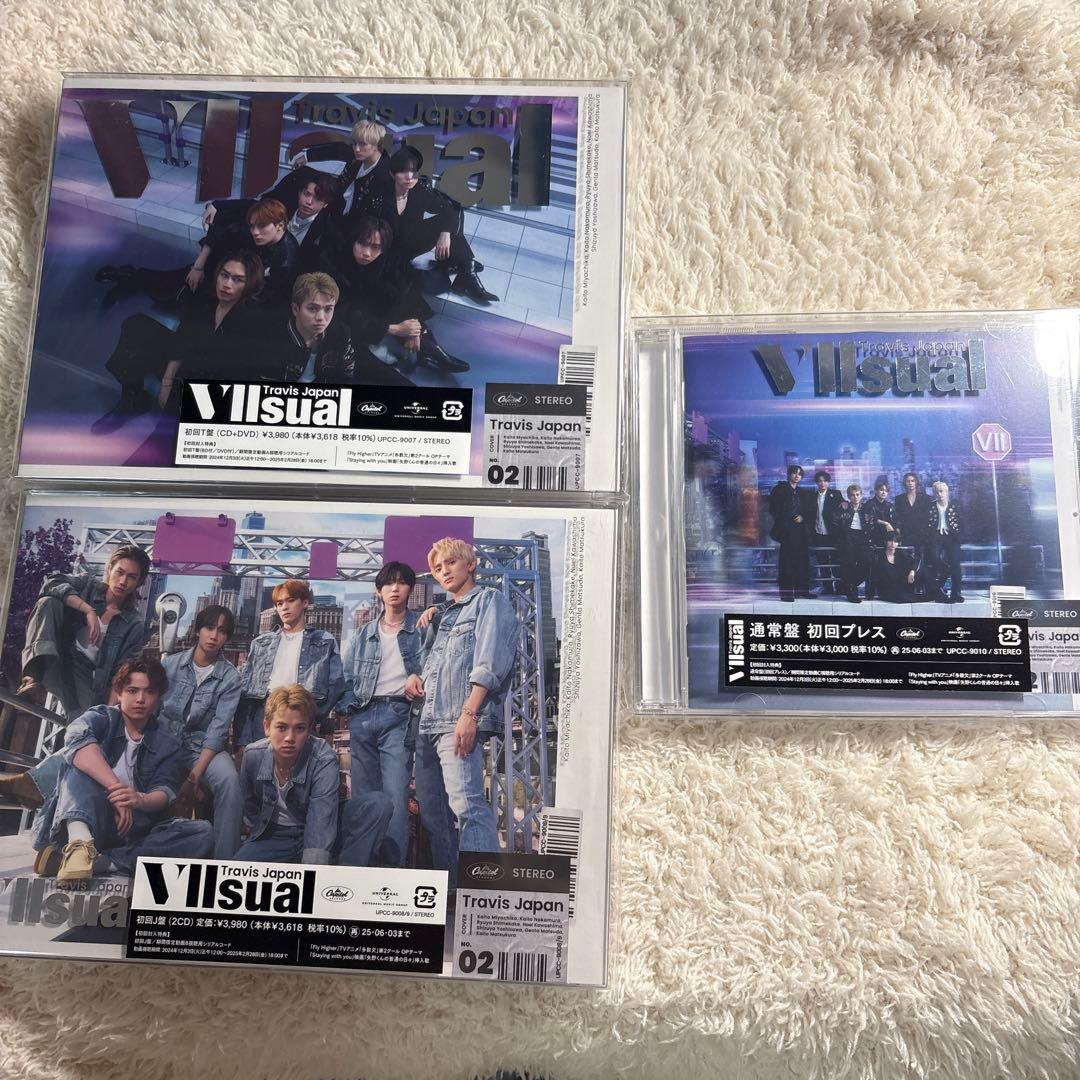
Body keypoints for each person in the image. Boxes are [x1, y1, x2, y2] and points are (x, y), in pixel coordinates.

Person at [29, 659, 214, 885]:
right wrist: (116, 790)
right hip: (88, 816)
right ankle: (79, 844)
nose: (140, 699)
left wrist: (137, 799)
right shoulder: (101, 717)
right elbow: (76, 742)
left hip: (131, 828)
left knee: (202, 833)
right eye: (132, 690)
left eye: (149, 692)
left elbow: (164, 792)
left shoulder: (167, 742)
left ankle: (103, 862)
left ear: (158, 697)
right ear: (119, 693)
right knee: (77, 764)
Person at [410, 539, 518, 888]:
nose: (444, 571)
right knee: (434, 816)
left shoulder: (489, 601)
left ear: (470, 564)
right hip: (426, 723)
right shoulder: (441, 615)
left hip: (456, 720)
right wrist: (416, 677)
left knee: (468, 807)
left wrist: (469, 714)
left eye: (451, 563)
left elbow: (489, 661)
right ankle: (453, 895)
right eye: (437, 568)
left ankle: (483, 895)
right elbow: (430, 665)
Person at [90, 252, 264, 434]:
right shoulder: (207, 298)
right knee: (136, 325)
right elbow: (183, 337)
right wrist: (167, 382)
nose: (227, 284)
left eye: (238, 280)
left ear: (249, 285)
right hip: (187, 362)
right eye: (225, 275)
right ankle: (133, 399)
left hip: (207, 388)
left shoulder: (249, 323)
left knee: (165, 438)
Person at [236, 683, 391, 865]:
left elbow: (321, 818)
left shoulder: (323, 758)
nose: (289, 738)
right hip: (273, 836)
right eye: (281, 728)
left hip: (321, 826)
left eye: (299, 728)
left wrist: (314, 872)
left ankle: (344, 875)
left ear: (309, 730)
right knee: (237, 869)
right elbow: (251, 807)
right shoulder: (253, 755)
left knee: (378, 805)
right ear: (267, 727)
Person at [338, 561, 428, 867]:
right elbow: (346, 677)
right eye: (388, 583)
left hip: (399, 715)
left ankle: (392, 871)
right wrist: (350, 708)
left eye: (402, 583)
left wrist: (419, 680)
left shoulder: (422, 627)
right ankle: (363, 867)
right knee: (365, 799)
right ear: (379, 591)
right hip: (363, 715)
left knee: (395, 797)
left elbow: (434, 664)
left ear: (410, 589)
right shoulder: (364, 633)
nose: (395, 588)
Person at [12, 544, 151, 719]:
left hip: (83, 675)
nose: (123, 581)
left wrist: (109, 715)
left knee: (85, 724)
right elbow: (51, 583)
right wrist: (88, 610)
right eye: (119, 572)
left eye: (132, 577)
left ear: (139, 582)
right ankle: (33, 678)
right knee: (49, 601)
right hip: (53, 653)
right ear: (109, 569)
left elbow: (122, 672)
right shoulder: (87, 584)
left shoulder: (133, 624)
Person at [325, 215, 468, 374]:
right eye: (362, 244)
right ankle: (426, 350)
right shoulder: (333, 259)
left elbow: (400, 289)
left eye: (376, 247)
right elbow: (342, 311)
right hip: (337, 318)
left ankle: (427, 346)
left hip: (363, 308)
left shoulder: (382, 259)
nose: (367, 253)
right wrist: (393, 329)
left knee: (395, 292)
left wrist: (414, 327)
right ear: (353, 240)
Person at [159, 605, 243, 859]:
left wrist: (195, 775)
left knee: (229, 781)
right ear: (198, 630)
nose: (214, 636)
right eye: (209, 627)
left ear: (227, 637)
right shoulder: (170, 665)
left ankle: (224, 862)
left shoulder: (230, 678)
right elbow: (152, 712)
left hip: (201, 746)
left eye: (222, 631)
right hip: (164, 741)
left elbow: (218, 731)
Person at [233, 580, 346, 751]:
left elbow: (336, 685)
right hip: (265, 713)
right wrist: (242, 739)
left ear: (305, 603)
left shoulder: (324, 640)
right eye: (279, 603)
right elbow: (246, 695)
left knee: (300, 766)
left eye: (291, 600)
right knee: (262, 765)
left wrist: (312, 715)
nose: (284, 607)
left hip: (302, 712)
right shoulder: (261, 643)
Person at [383, 145, 498, 304]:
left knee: (450, 217)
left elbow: (452, 208)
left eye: (413, 171)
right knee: (438, 285)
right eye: (403, 172)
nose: (409, 177)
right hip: (388, 255)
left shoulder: (418, 190)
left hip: (410, 242)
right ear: (392, 174)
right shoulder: (380, 196)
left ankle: (466, 272)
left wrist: (445, 233)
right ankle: (458, 265)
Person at [255, 271, 414, 386]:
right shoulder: (273, 338)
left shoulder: (340, 333)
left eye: (328, 309)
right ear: (296, 309)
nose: (321, 317)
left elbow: (345, 376)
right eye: (312, 308)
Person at [202, 168, 344, 274]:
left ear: (325, 204)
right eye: (307, 194)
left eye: (318, 199)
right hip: (260, 258)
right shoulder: (285, 206)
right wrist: (217, 205)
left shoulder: (326, 231)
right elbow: (253, 205)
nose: (309, 202)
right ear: (300, 192)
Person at [187, 198, 300, 308]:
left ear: (280, 226)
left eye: (261, 226)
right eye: (252, 226)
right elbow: (221, 226)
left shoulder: (285, 259)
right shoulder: (258, 227)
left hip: (251, 301)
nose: (255, 232)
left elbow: (263, 298)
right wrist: (198, 266)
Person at [292, 119, 394, 221]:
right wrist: (307, 156)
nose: (357, 149)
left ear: (377, 145)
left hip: (357, 223)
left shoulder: (386, 174)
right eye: (354, 143)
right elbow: (336, 150)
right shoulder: (355, 154)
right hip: (335, 212)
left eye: (363, 144)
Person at [768, 465, 812, 602]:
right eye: (794, 473)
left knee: (802, 560)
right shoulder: (779, 489)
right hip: (787, 529)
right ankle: (786, 593)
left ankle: (802, 591)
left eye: (799, 474)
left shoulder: (802, 492)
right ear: (789, 474)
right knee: (787, 562)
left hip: (801, 530)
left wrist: (803, 517)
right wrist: (787, 519)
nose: (797, 476)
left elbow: (808, 509)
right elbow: (773, 509)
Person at [926, 480, 964, 602]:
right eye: (936, 492)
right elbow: (925, 523)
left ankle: (956, 593)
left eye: (941, 491)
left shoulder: (954, 505)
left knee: (955, 564)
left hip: (951, 536)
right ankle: (938, 588)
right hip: (936, 536)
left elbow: (961, 522)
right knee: (933, 558)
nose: (939, 494)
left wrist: (959, 536)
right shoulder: (931, 506)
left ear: (947, 492)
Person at [834, 484, 872, 603]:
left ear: (861, 495)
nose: (855, 497)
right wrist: (840, 538)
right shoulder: (844, 507)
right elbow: (835, 523)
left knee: (867, 563)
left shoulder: (866, 508)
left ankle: (847, 585)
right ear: (848, 496)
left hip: (862, 537)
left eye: (857, 495)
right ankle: (852, 594)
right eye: (852, 495)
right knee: (849, 564)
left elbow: (871, 523)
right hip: (847, 537)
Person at [808, 469, 843, 594]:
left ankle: (839, 587)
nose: (822, 483)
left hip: (832, 534)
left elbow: (843, 506)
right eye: (820, 481)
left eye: (825, 481)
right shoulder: (812, 496)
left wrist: (844, 504)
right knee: (822, 561)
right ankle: (828, 588)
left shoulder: (836, 494)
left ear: (828, 482)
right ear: (817, 483)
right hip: (818, 534)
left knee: (835, 560)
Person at [893, 472, 933, 561]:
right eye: (908, 481)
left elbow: (928, 517)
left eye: (912, 481)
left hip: (922, 533)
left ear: (916, 482)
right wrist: (898, 529)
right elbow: (897, 516)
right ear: (905, 483)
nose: (910, 483)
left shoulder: (925, 498)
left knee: (921, 559)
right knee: (907, 559)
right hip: (906, 533)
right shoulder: (899, 499)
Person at [869, 532, 919, 603]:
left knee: (921, 570)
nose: (893, 544)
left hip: (901, 588)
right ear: (885, 542)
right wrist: (870, 595)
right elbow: (873, 576)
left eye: (895, 541)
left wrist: (912, 572)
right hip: (886, 590)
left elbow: (915, 561)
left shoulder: (900, 553)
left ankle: (932, 592)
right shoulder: (878, 556)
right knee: (905, 598)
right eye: (890, 541)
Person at [863, 476, 897, 549]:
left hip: (887, 538)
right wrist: (886, 523)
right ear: (876, 491)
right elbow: (869, 520)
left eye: (886, 491)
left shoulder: (890, 506)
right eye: (881, 490)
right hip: (873, 538)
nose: (884, 492)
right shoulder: (869, 504)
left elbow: (894, 522)